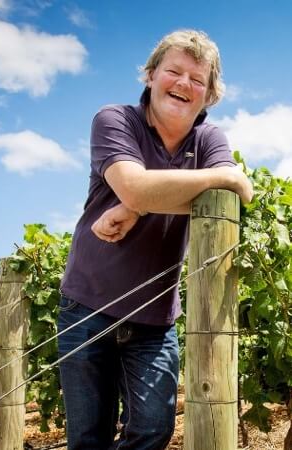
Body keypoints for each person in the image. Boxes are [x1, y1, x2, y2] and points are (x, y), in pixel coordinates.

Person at [57, 29, 253, 450]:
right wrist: (142, 197)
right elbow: (136, 186)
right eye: (173, 71)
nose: (184, 84)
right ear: (150, 75)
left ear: (209, 95)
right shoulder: (115, 119)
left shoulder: (208, 139)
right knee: (88, 439)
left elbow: (236, 198)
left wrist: (139, 205)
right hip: (87, 304)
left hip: (154, 319)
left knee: (153, 430)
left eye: (197, 79)